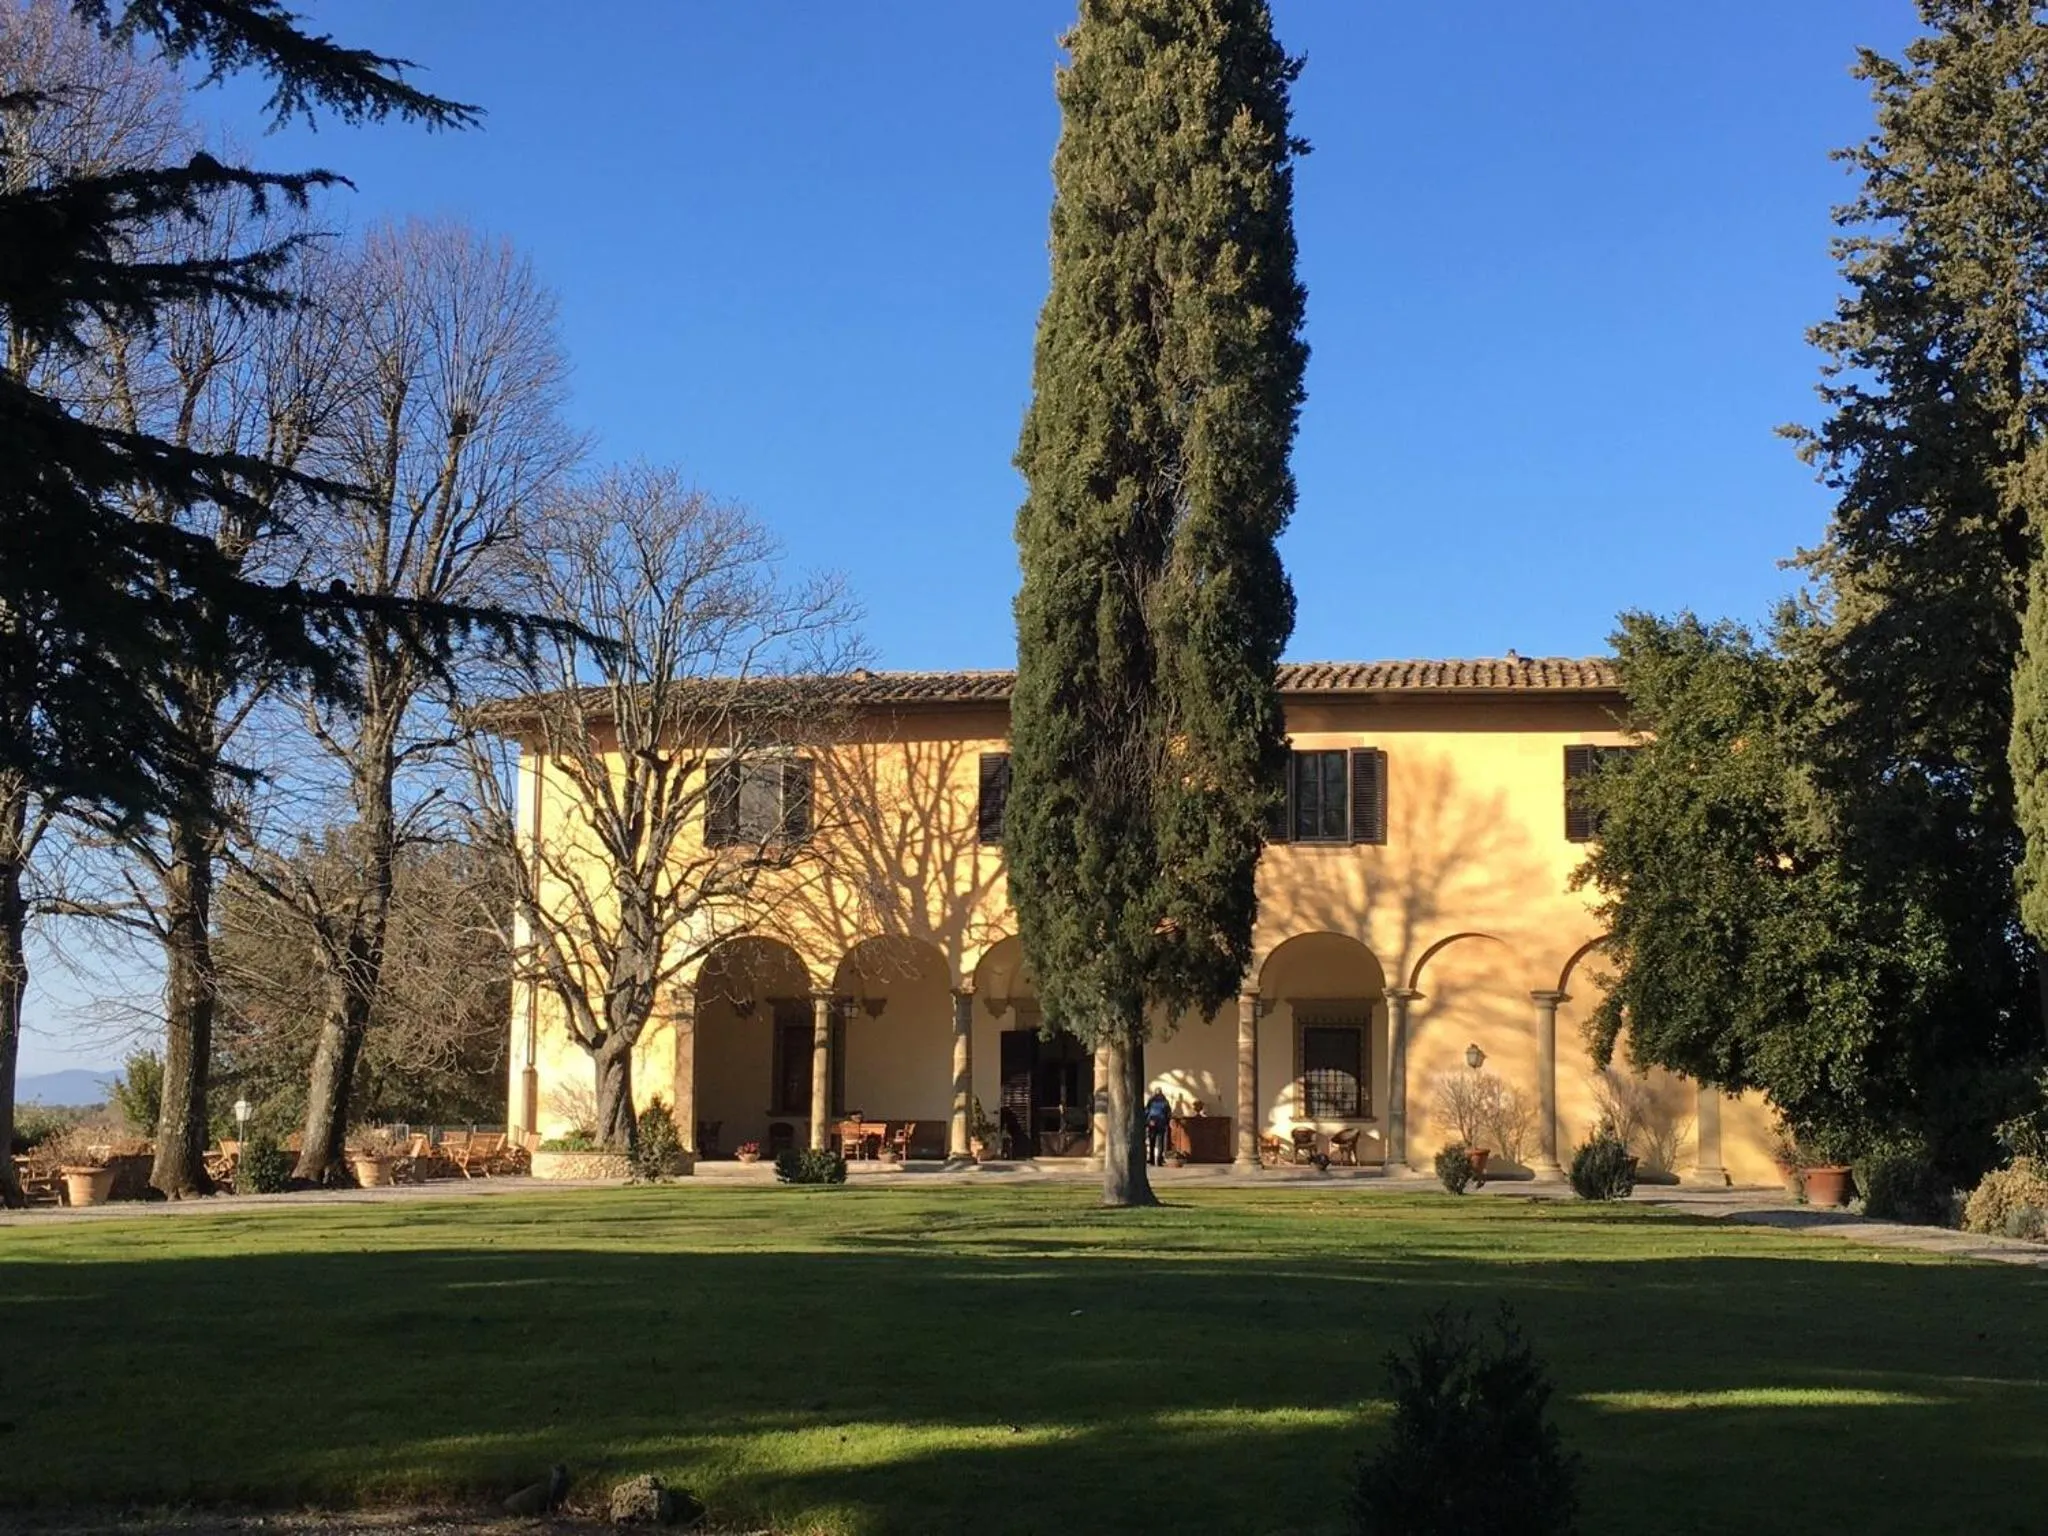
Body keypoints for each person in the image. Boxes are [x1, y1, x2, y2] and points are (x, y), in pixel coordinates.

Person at [1144, 1087, 1172, 1167]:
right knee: (1160, 1143)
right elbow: (1168, 1113)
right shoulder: (1165, 1101)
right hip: (1161, 1124)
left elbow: (1146, 1111)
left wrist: (1146, 1122)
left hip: (1152, 1123)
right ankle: (1159, 1160)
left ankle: (1151, 1160)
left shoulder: (1151, 1101)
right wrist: (1167, 1122)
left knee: (1152, 1142)